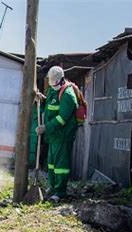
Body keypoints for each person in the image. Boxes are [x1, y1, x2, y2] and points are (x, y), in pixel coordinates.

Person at [36, 66, 78, 202]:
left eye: (55, 83)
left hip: (63, 135)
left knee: (61, 165)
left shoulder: (68, 95)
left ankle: (60, 192)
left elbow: (62, 118)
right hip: (54, 136)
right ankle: (53, 187)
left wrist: (45, 128)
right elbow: (48, 108)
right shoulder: (53, 91)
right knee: (52, 164)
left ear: (61, 80)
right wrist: (41, 100)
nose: (52, 85)